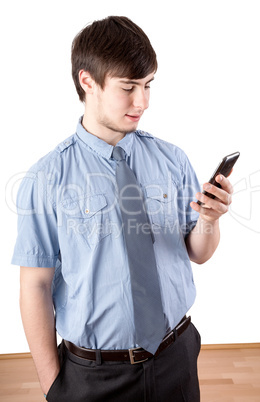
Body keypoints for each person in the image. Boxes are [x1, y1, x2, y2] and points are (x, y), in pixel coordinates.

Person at [12, 16, 233, 402]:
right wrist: (54, 388)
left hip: (176, 357)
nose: (142, 102)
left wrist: (209, 220)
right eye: (128, 87)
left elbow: (197, 253)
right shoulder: (45, 178)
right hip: (93, 377)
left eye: (148, 86)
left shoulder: (172, 160)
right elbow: (36, 284)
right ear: (87, 82)